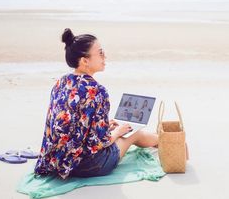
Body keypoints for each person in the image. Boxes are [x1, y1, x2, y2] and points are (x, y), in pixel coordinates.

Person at [34, 28, 158, 179]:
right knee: (133, 134)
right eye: (100, 53)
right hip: (87, 166)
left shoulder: (61, 82)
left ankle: (159, 138)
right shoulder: (97, 91)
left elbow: (72, 124)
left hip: (57, 161)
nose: (105, 56)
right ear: (85, 60)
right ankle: (166, 142)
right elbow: (100, 142)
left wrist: (106, 126)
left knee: (121, 130)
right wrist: (117, 132)